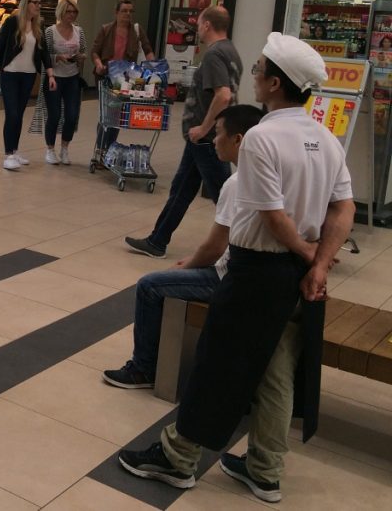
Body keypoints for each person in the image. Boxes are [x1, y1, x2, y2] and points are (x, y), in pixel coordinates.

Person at [118, 33, 354, 504]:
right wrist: (319, 264)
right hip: (296, 277)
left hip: (256, 271)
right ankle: (264, 469)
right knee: (276, 373)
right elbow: (342, 209)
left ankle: (178, 459)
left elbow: (272, 215)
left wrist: (312, 258)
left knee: (218, 364)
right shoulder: (325, 139)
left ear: (273, 82)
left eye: (260, 68)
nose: (254, 75)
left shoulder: (262, 137)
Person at [103, 104, 264, 389]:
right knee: (183, 189)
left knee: (150, 285)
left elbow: (215, 248)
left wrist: (188, 263)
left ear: (238, 139)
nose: (213, 140)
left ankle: (143, 369)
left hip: (232, 278)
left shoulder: (238, 183)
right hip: (257, 274)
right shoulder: (271, 174)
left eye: (218, 134)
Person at [125, 5, 241, 259]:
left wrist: (204, 127)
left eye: (199, 24)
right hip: (202, 139)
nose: (197, 28)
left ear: (208, 25)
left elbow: (223, 95)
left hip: (207, 140)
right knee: (182, 189)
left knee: (225, 195)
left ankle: (244, 247)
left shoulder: (214, 55)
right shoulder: (231, 52)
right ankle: (157, 241)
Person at [0, 0, 53, 171]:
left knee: (20, 114)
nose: (39, 6)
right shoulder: (12, 22)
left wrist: (51, 74)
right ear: (27, 4)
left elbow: (44, 52)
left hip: (28, 75)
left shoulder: (38, 25)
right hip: (9, 74)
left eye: (40, 3)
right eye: (36, 2)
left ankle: (15, 151)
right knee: (12, 114)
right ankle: (8, 154)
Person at [89, 0, 156, 164]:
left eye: (130, 11)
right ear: (116, 13)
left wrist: (154, 71)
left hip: (125, 80)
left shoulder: (137, 30)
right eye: (124, 11)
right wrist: (98, 64)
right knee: (106, 115)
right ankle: (100, 148)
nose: (127, 15)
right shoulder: (106, 29)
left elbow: (148, 50)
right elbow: (95, 51)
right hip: (106, 77)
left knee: (118, 116)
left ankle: (109, 149)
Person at [39, 0, 86, 165]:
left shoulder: (79, 31)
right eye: (69, 11)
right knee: (55, 115)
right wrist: (58, 57)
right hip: (55, 78)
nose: (72, 15)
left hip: (72, 77)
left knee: (72, 115)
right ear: (61, 12)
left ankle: (65, 148)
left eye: (74, 12)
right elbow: (44, 56)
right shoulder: (50, 31)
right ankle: (50, 149)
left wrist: (80, 57)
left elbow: (84, 51)